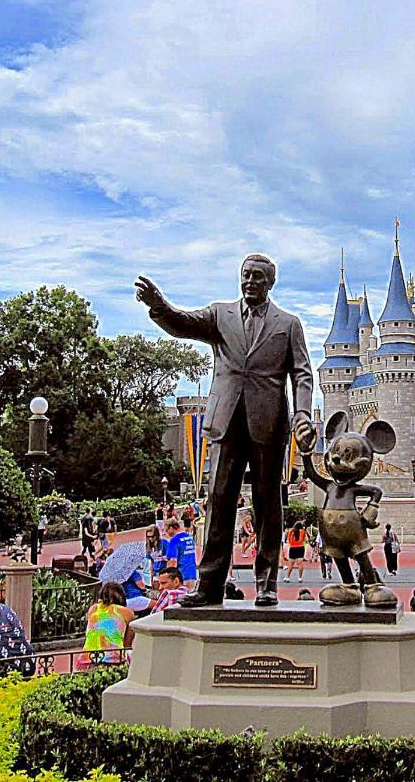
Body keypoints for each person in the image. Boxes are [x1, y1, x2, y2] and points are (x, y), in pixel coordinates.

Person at [135, 254, 316, 607]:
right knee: (218, 501)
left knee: (268, 504)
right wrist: (159, 307)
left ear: (270, 283)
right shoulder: (220, 315)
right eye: (245, 275)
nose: (250, 281)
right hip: (225, 420)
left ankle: (266, 584)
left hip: (268, 423)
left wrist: (303, 414)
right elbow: (183, 323)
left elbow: (302, 373)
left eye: (257, 277)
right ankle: (209, 585)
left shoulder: (289, 324)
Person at [77, 582, 135, 669]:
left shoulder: (93, 609)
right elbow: (127, 644)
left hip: (88, 658)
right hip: (114, 659)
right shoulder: (127, 612)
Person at [163, 517, 198, 591]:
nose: (166, 533)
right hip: (192, 573)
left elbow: (172, 561)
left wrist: (169, 579)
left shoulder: (174, 540)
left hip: (181, 576)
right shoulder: (189, 537)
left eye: (166, 530)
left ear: (171, 528)